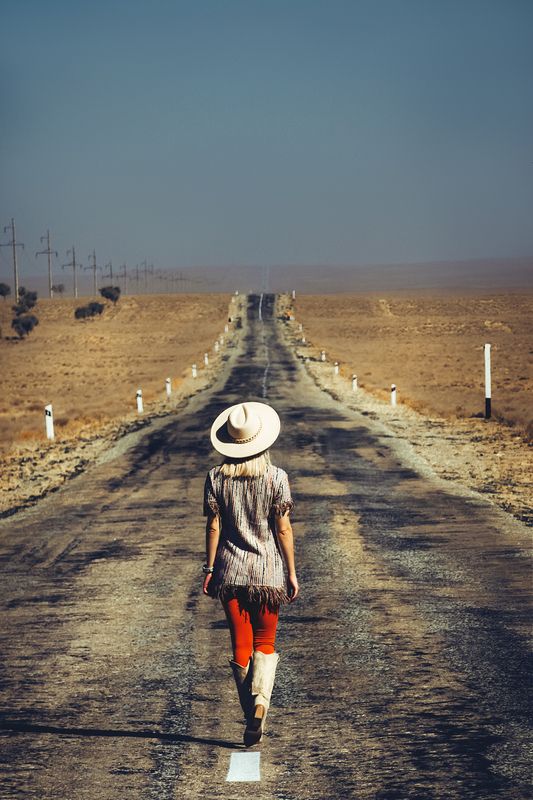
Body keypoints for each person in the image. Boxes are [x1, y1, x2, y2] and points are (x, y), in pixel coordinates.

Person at [202, 401, 298, 746]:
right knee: (265, 643)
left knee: (240, 644)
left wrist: (210, 568)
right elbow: (283, 530)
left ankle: (249, 712)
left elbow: (214, 527)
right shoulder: (277, 478)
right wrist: (291, 572)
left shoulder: (215, 478)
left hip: (230, 573)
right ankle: (260, 706)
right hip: (268, 574)